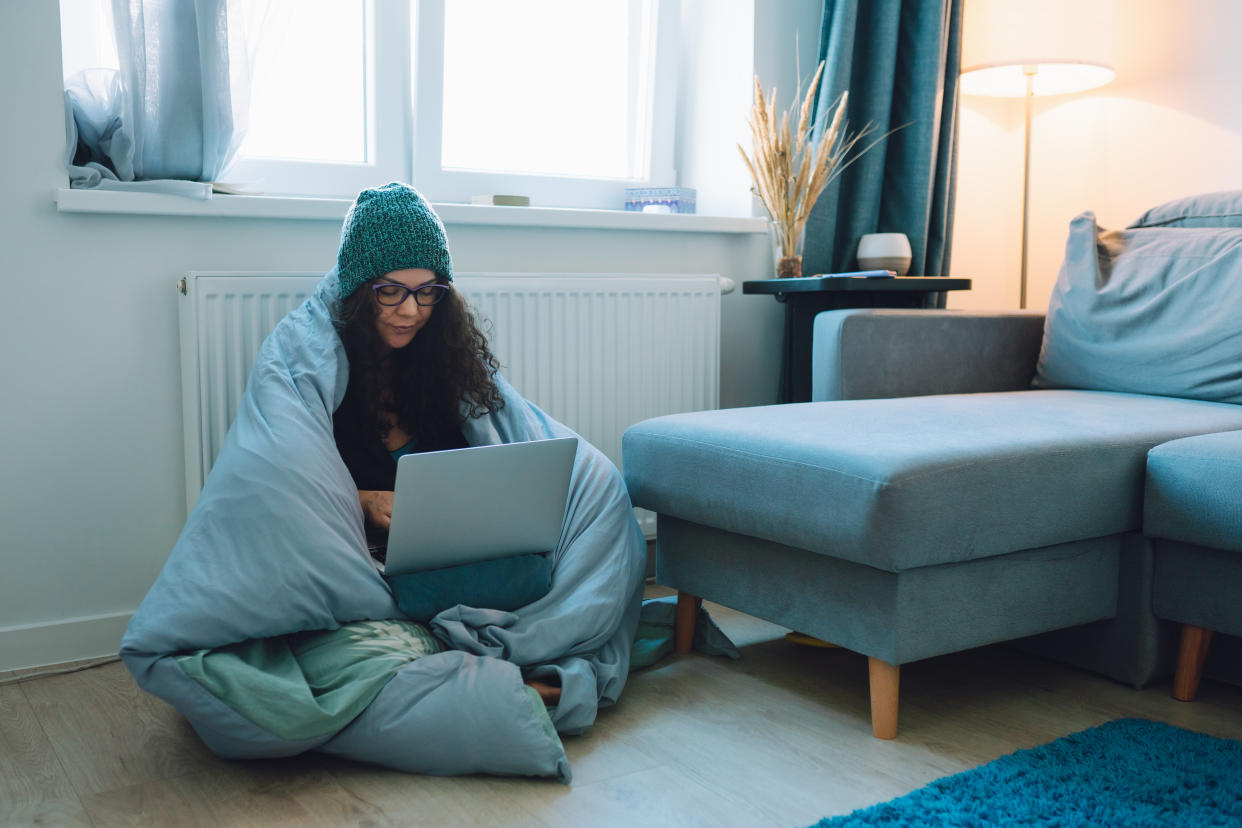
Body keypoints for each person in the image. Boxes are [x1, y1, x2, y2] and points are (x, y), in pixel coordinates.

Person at [329, 182, 561, 705]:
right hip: (369, 559)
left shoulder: (444, 370)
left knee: (533, 570)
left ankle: (458, 664)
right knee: (382, 591)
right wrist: (361, 501)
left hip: (446, 559)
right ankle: (494, 675)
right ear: (359, 291)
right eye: (390, 291)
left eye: (427, 292)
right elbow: (294, 483)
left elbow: (479, 466)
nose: (410, 310)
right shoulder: (331, 381)